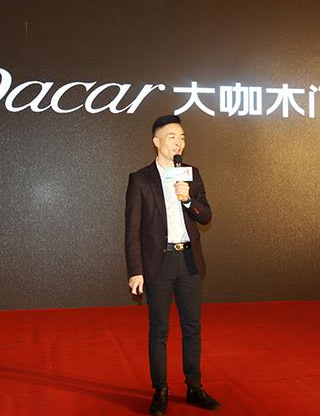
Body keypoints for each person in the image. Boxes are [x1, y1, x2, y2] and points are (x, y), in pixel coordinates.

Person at [125, 115, 221, 415]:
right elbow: (132, 229)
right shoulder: (140, 179)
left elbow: (206, 215)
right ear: (157, 141)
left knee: (192, 327)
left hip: (189, 261)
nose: (179, 142)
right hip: (159, 263)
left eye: (182, 137)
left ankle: (194, 387)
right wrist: (136, 270)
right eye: (172, 137)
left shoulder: (191, 174)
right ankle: (161, 390)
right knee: (159, 330)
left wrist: (188, 200)